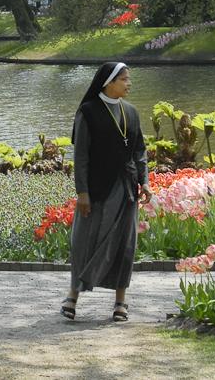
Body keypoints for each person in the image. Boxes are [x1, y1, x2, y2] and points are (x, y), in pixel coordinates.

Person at [62, 61, 152, 323]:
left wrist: (145, 181)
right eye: (124, 79)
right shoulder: (88, 112)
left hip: (127, 189)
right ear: (108, 82)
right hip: (97, 189)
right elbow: (81, 156)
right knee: (84, 241)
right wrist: (82, 192)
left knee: (125, 245)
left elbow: (139, 151)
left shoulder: (131, 112)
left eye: (128, 79)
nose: (129, 84)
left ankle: (120, 302)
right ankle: (72, 296)